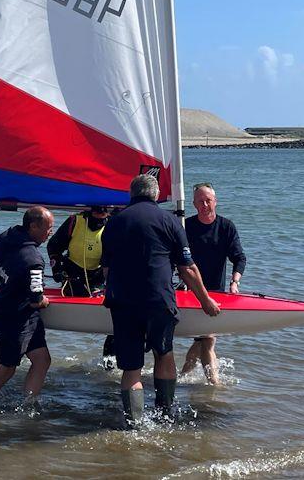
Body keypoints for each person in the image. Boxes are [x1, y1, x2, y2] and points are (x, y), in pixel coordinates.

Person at [101, 174, 220, 424]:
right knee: (163, 354)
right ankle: (165, 416)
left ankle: (134, 424)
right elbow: (186, 268)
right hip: (159, 301)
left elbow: (107, 269)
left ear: (132, 194)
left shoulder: (114, 221)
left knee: (131, 368)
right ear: (155, 195)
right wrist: (205, 300)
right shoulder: (169, 220)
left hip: (122, 302)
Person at [0, 206, 55, 405]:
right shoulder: (34, 260)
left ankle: (28, 406)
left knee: (42, 360)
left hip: (21, 316)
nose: (50, 233)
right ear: (34, 226)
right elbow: (37, 300)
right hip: (13, 319)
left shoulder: (9, 235)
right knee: (6, 369)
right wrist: (44, 300)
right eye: (48, 228)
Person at [180, 183, 247, 385]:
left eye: (208, 200)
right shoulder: (186, 227)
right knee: (207, 339)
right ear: (193, 204)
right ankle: (213, 384)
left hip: (215, 292)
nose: (205, 204)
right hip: (190, 291)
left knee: (204, 339)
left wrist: (234, 282)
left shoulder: (226, 227)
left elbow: (239, 258)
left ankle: (182, 377)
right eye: (200, 201)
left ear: (215, 202)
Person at [47, 206, 115, 368]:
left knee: (114, 321)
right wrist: (58, 270)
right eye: (97, 212)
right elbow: (53, 247)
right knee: (80, 291)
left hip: (100, 277)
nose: (100, 217)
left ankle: (110, 363)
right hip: (73, 277)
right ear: (90, 211)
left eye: (104, 213)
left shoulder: (113, 225)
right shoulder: (74, 221)